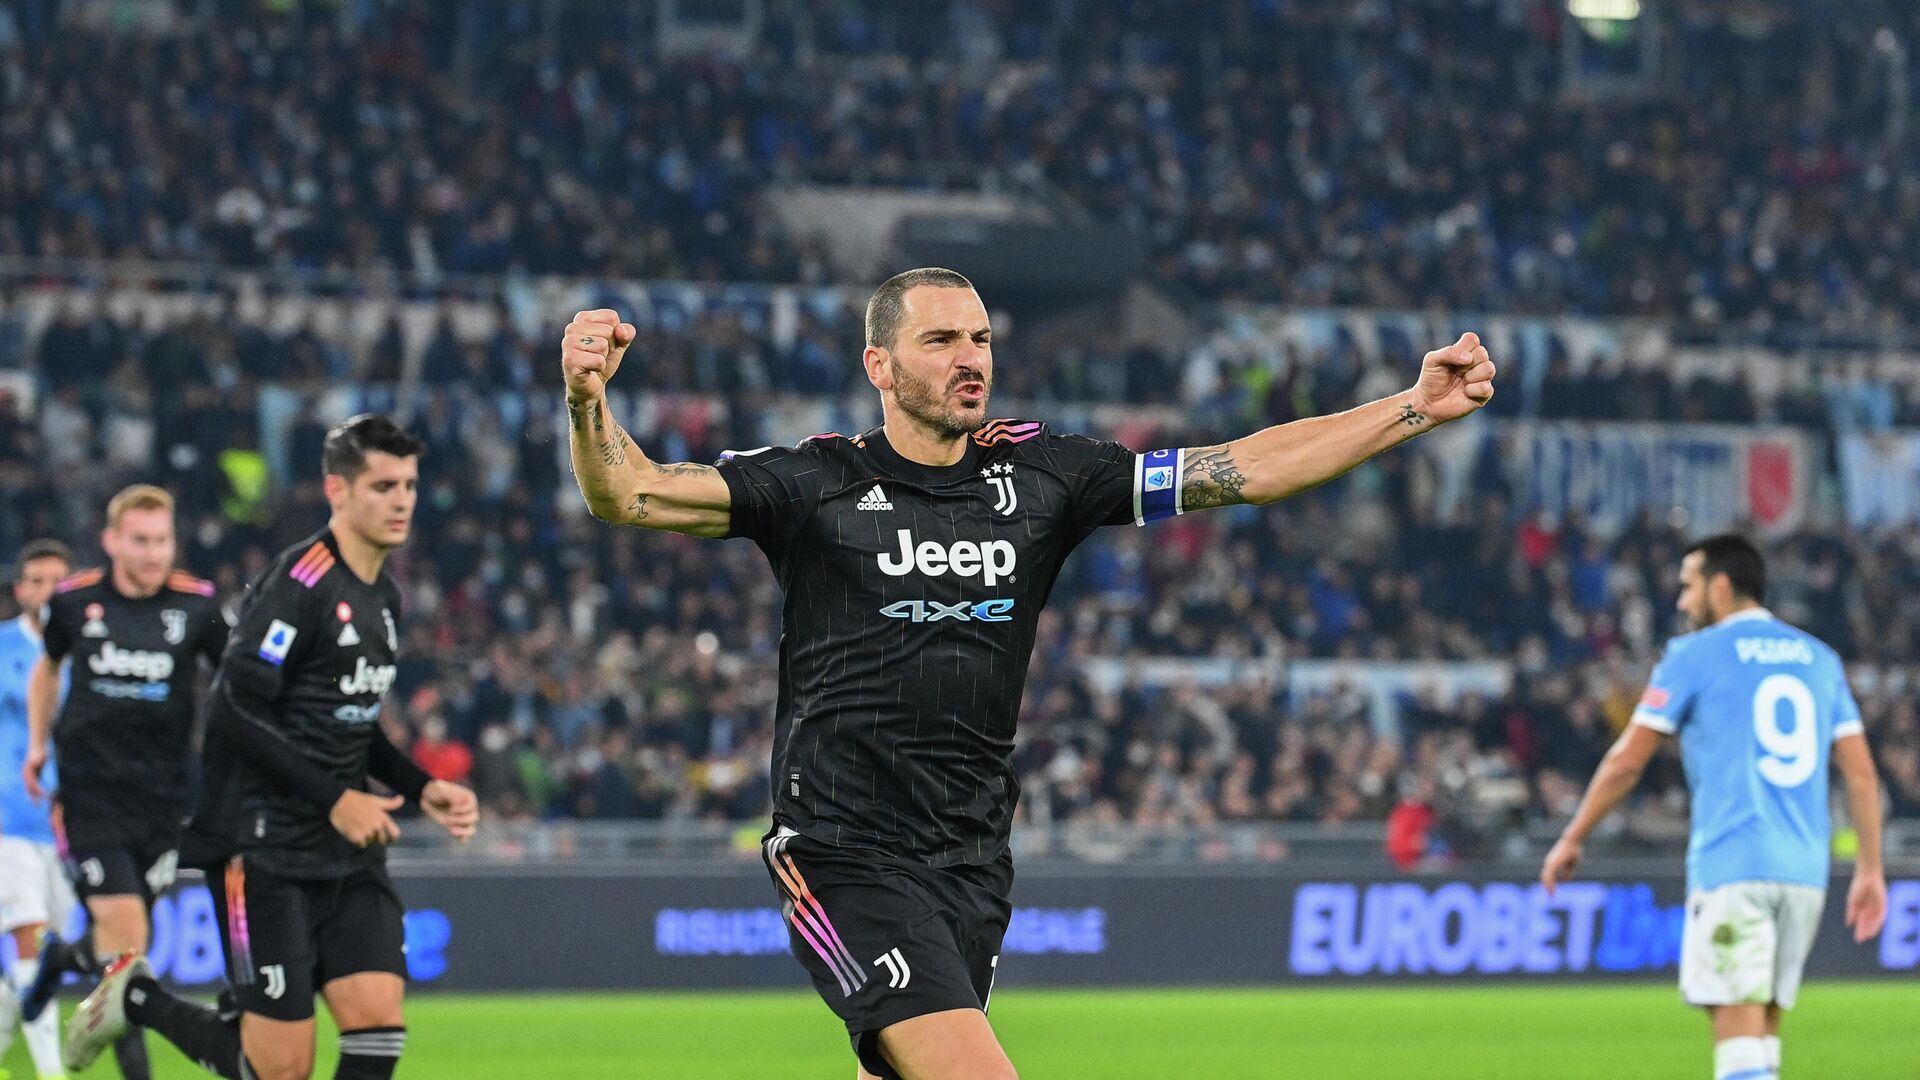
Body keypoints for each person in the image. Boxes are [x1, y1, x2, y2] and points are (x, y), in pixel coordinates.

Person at [558, 267, 1497, 1080]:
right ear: (879, 366)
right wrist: (588, 402)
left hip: (971, 860)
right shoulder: (814, 484)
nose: (971, 357)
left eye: (981, 338)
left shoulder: (1049, 477)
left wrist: (1411, 407)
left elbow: (1244, 468)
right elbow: (629, 491)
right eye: (940, 341)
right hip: (841, 852)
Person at [61, 415, 480, 1080]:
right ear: (337, 491)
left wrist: (420, 784)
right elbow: (231, 708)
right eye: (382, 485)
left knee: (378, 1023)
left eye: (408, 484)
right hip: (265, 849)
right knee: (280, 1070)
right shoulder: (301, 584)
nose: (401, 500)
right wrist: (336, 798)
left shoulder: (387, 597)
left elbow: (351, 718)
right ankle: (135, 996)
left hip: (347, 849)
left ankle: (135, 995)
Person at [1541, 534, 1887, 1080]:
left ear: (1720, 587)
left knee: (1737, 1048)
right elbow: (1862, 772)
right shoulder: (1819, 659)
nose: (1681, 602)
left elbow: (1627, 761)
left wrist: (1573, 835)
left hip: (1735, 868)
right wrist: (1870, 868)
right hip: (1803, 874)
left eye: (1688, 587)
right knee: (1763, 1037)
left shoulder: (1694, 656)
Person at [19, 487, 228, 1080]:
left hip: (163, 802)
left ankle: (65, 956)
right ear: (111, 541)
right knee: (130, 949)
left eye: (161, 540)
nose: (152, 553)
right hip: (90, 797)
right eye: (139, 540)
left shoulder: (197, 607)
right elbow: (47, 670)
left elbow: (238, 681)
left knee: (117, 944)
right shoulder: (73, 601)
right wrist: (38, 745)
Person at [0, 539, 75, 1079]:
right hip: (8, 817)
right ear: (21, 590)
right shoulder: (2, 648)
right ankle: (52, 1074)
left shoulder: (88, 656)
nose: (48, 591)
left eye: (58, 582)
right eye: (38, 581)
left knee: (57, 951)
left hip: (68, 822)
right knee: (29, 934)